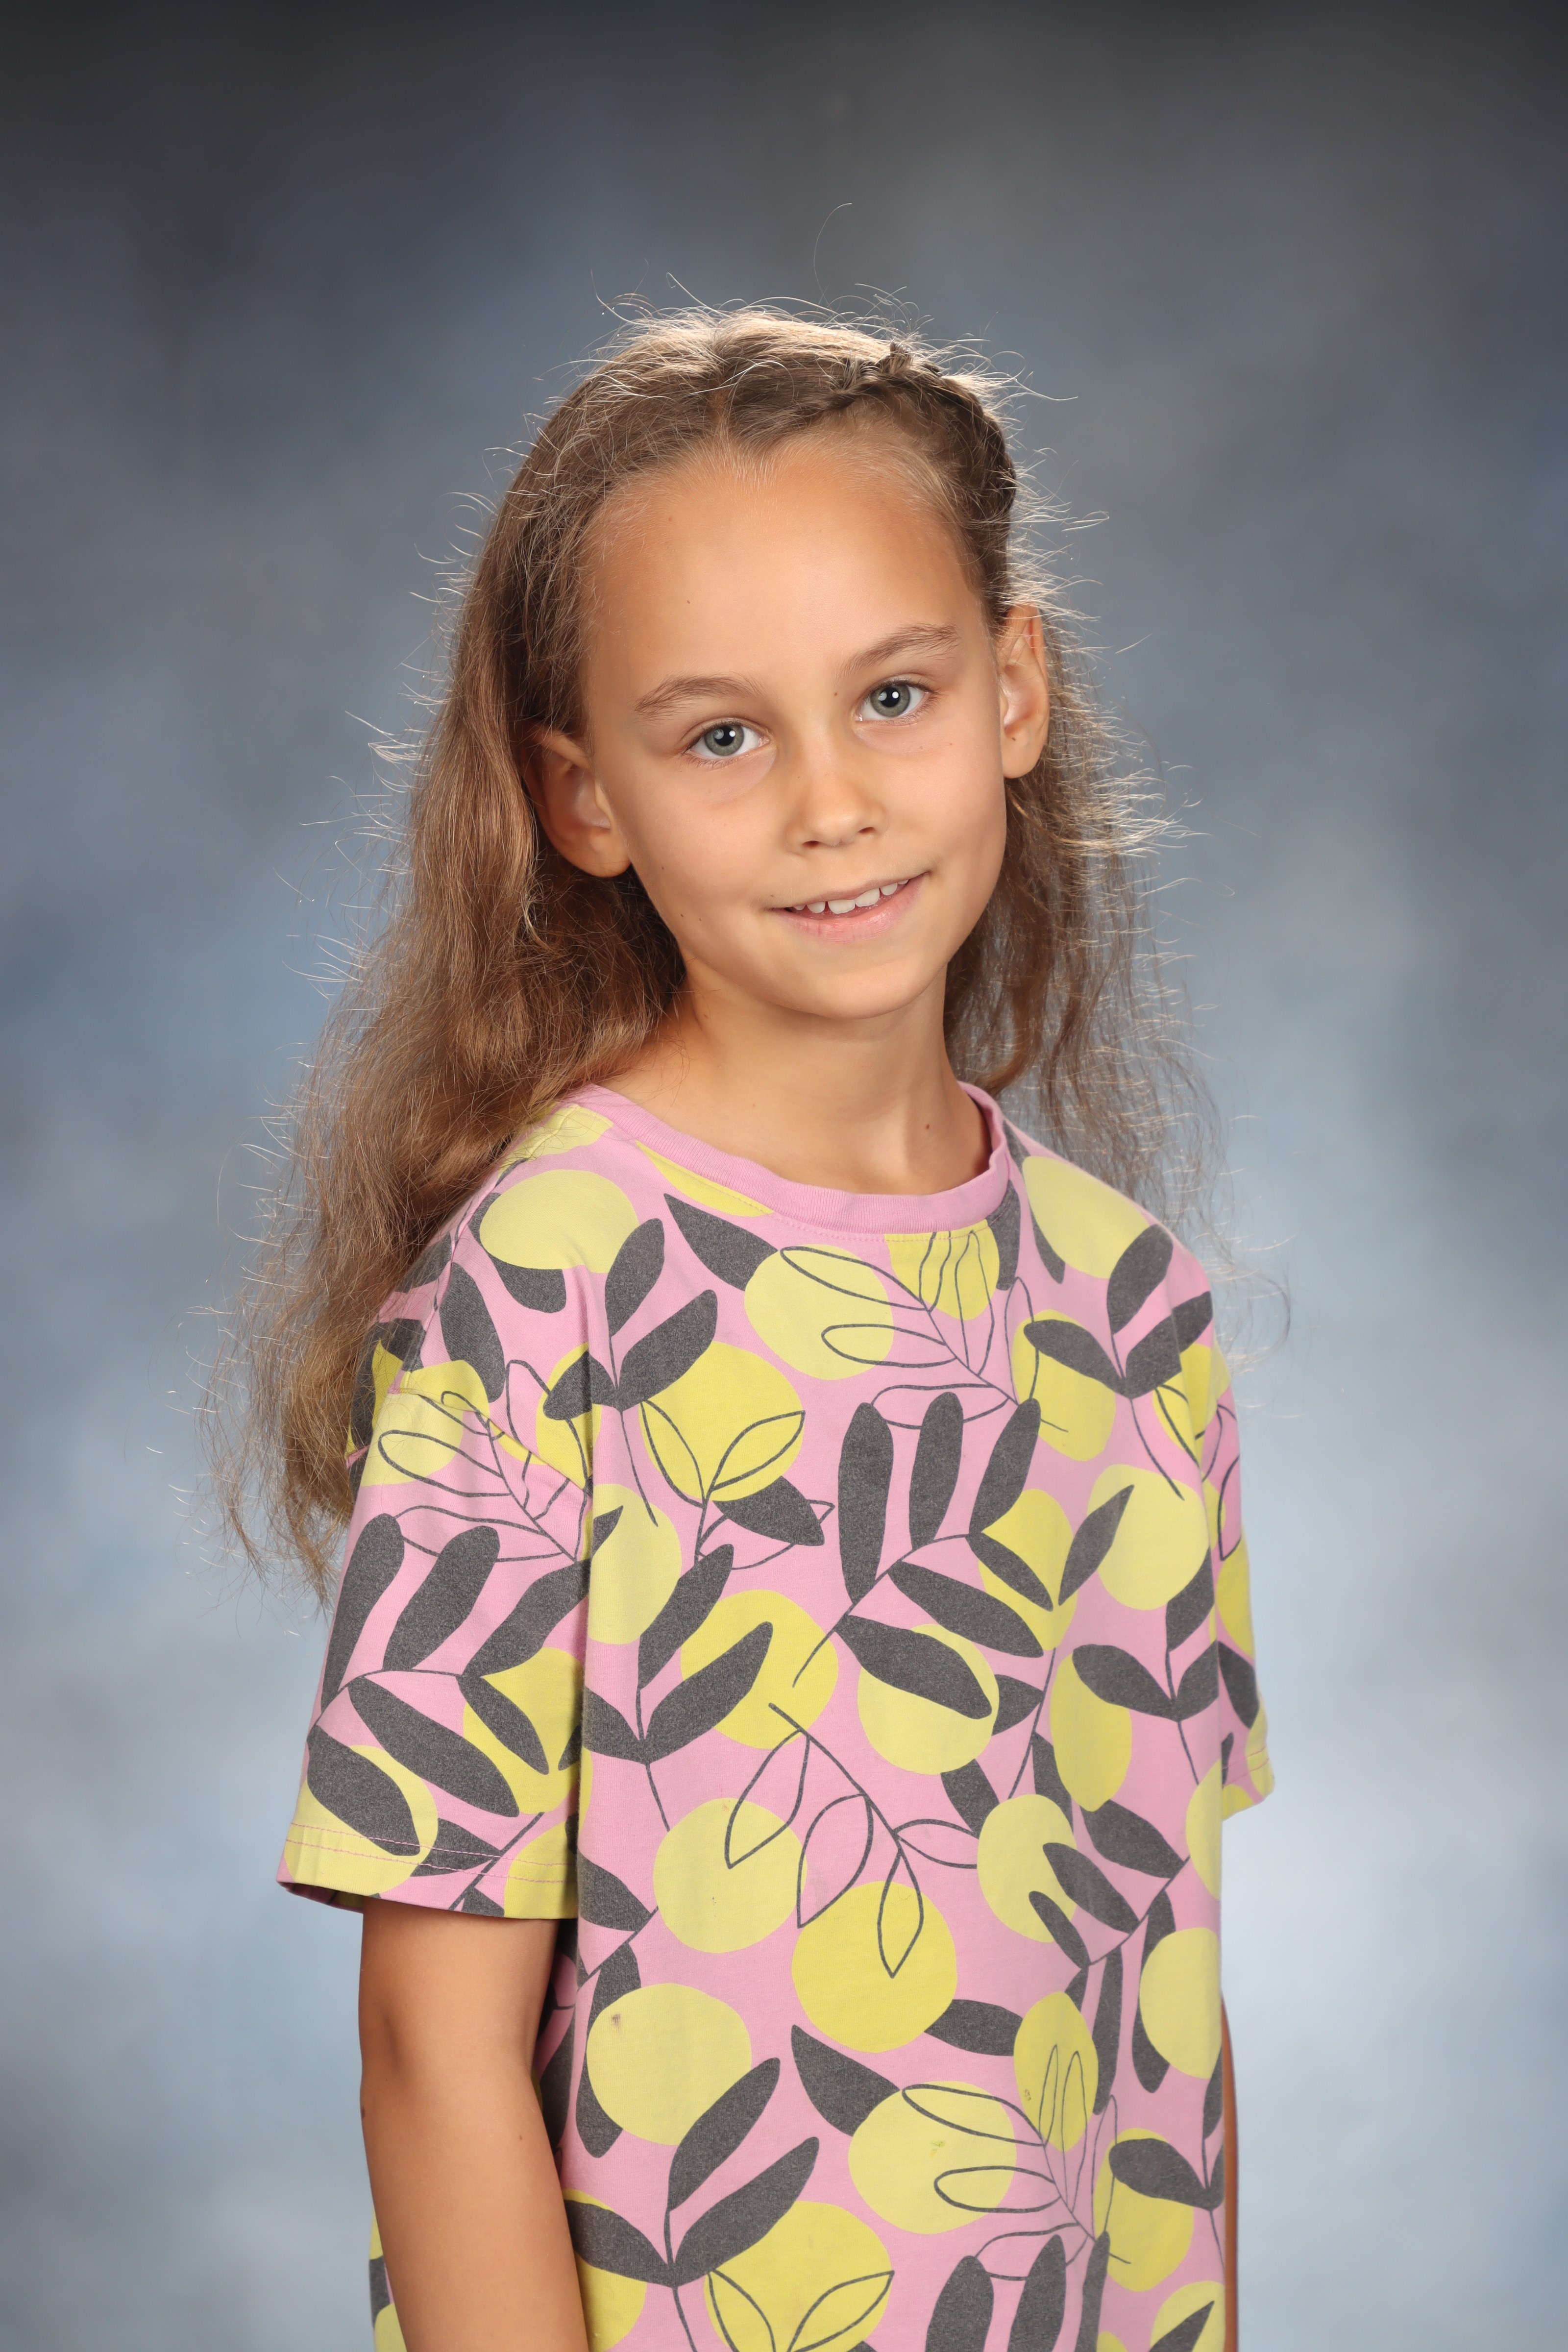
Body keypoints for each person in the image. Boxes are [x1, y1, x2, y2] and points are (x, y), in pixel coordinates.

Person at [237, 311, 1272, 2352]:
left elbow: (1159, 2015)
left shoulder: (1134, 1314)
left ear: (1014, 688)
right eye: (721, 737)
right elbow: (434, 2052)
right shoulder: (544, 1296)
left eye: (890, 695)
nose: (830, 804)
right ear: (584, 797)